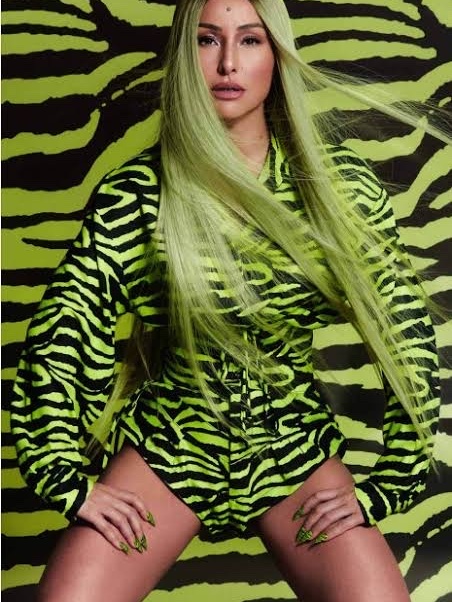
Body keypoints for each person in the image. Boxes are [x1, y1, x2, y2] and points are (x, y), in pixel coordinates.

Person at [11, 0, 445, 600]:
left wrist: (392, 480)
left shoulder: (339, 185)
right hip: (172, 441)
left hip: (290, 443)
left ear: (277, 56)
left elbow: (405, 328)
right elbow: (66, 324)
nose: (228, 64)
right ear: (183, 56)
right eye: (208, 40)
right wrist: (62, 474)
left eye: (251, 40)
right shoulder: (137, 192)